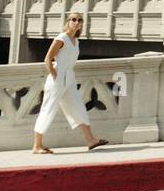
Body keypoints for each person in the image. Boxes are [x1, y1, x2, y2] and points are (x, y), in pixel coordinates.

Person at [31, 12, 109, 153]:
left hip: (70, 78)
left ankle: (90, 140)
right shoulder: (62, 38)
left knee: (78, 107)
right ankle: (37, 145)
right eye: (73, 19)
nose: (77, 22)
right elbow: (48, 59)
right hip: (58, 77)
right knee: (48, 109)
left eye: (80, 20)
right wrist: (55, 76)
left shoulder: (76, 41)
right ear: (68, 22)